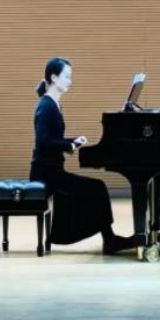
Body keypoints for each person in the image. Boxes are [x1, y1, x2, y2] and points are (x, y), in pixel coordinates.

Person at [29, 57, 136, 255]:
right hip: (46, 174)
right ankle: (110, 240)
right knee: (97, 187)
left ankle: (109, 239)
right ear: (54, 78)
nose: (70, 81)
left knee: (95, 187)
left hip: (52, 171)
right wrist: (68, 144)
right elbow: (43, 142)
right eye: (66, 76)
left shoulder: (53, 104)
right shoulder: (46, 106)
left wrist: (72, 141)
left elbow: (52, 139)